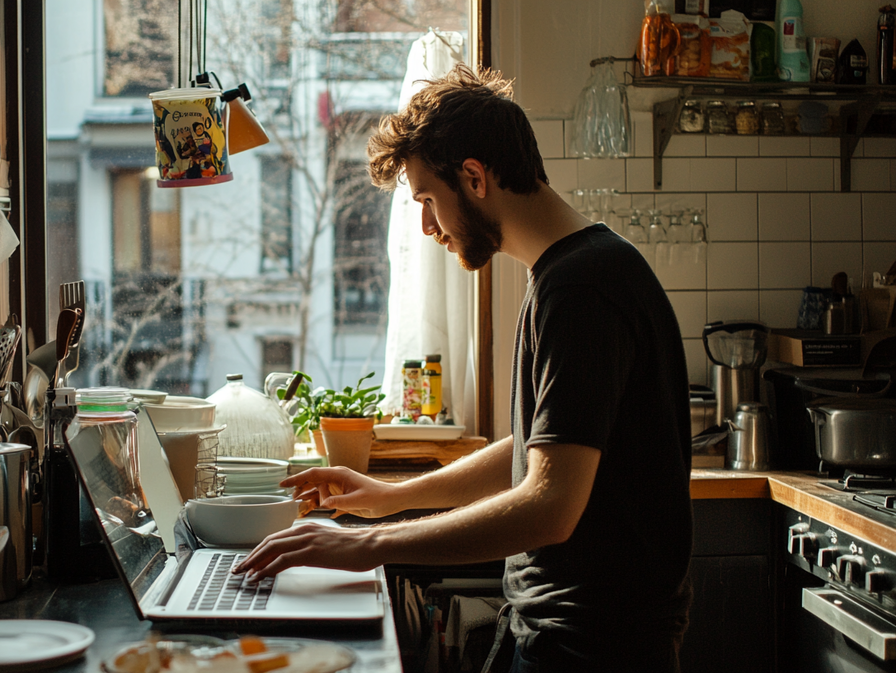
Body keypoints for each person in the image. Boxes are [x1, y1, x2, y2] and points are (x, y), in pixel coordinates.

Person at [234, 64, 693, 673]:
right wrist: (392, 497)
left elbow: (550, 505)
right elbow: (533, 451)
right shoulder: (573, 272)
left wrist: (363, 545)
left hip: (592, 645)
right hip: (568, 631)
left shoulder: (582, 288)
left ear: (474, 177)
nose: (427, 227)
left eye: (427, 199)